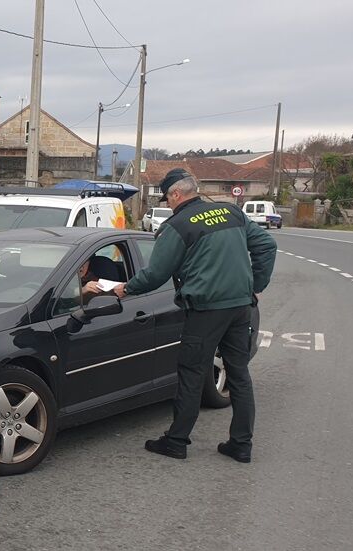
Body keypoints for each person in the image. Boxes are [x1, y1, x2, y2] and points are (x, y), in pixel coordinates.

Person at [114, 168, 276, 463]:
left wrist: (124, 289)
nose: (168, 203)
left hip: (205, 311)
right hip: (240, 307)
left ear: (176, 194)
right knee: (239, 373)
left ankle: (176, 441)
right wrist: (255, 287)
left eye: (167, 198)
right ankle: (241, 444)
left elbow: (156, 274)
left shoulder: (178, 226)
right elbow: (267, 245)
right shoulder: (231, 213)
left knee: (191, 372)